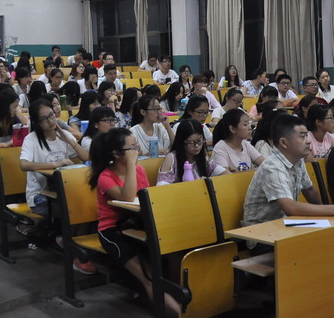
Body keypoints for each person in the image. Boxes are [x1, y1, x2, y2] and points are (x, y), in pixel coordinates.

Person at [241, 114, 334, 255]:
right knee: (318, 249)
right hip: (261, 235)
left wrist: (328, 216)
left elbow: (310, 191)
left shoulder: (298, 160)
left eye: (307, 135)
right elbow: (289, 207)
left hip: (285, 226)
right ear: (284, 143)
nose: (308, 141)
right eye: (302, 136)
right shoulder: (272, 167)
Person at [88, 128, 181, 316]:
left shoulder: (139, 170)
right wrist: (131, 163)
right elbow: (128, 197)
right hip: (113, 232)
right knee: (149, 277)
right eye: (132, 148)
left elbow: (146, 200)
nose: (137, 152)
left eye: (137, 146)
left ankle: (179, 296)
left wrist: (133, 165)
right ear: (117, 154)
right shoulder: (105, 177)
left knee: (175, 253)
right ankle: (179, 313)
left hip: (137, 224)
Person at [20, 99, 89, 217]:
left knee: (85, 205)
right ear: (36, 122)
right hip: (39, 195)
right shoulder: (31, 139)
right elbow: (24, 165)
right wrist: (55, 164)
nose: (50, 120)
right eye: (44, 119)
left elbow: (87, 159)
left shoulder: (64, 135)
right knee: (72, 209)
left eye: (51, 115)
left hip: (65, 190)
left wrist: (69, 141)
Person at [157, 119, 227, 185]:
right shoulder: (171, 158)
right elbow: (162, 186)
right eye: (191, 142)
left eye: (199, 141)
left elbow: (226, 173)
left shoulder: (203, 158)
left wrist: (206, 181)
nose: (197, 146)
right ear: (181, 142)